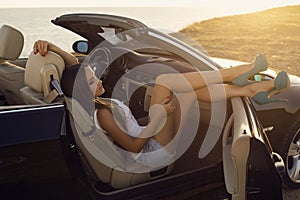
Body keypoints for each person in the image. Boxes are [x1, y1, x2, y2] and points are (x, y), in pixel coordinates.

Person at [33, 40, 290, 167]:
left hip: (150, 136)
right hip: (152, 152)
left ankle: (255, 88)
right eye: (92, 82)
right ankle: (237, 74)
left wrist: (51, 46)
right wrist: (156, 119)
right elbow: (133, 145)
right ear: (83, 94)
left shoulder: (91, 99)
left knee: (187, 91)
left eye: (94, 77)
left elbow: (76, 67)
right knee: (166, 81)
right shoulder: (102, 115)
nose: (98, 79)